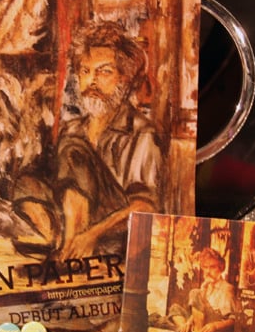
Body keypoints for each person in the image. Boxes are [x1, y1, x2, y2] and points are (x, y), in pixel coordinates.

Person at [12, 21, 164, 259]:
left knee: (74, 150)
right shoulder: (72, 128)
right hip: (76, 224)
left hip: (112, 234)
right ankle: (61, 243)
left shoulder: (141, 133)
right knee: (26, 182)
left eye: (104, 72)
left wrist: (93, 234)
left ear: (124, 79)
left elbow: (145, 207)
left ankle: (69, 251)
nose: (91, 81)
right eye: (85, 71)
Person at [162, 247, 237, 332]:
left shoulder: (227, 288)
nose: (208, 271)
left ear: (221, 268)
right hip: (203, 324)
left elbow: (233, 319)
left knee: (195, 292)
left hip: (216, 329)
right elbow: (199, 311)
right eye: (205, 267)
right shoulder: (207, 285)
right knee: (175, 308)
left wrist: (215, 326)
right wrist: (189, 322)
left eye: (212, 267)